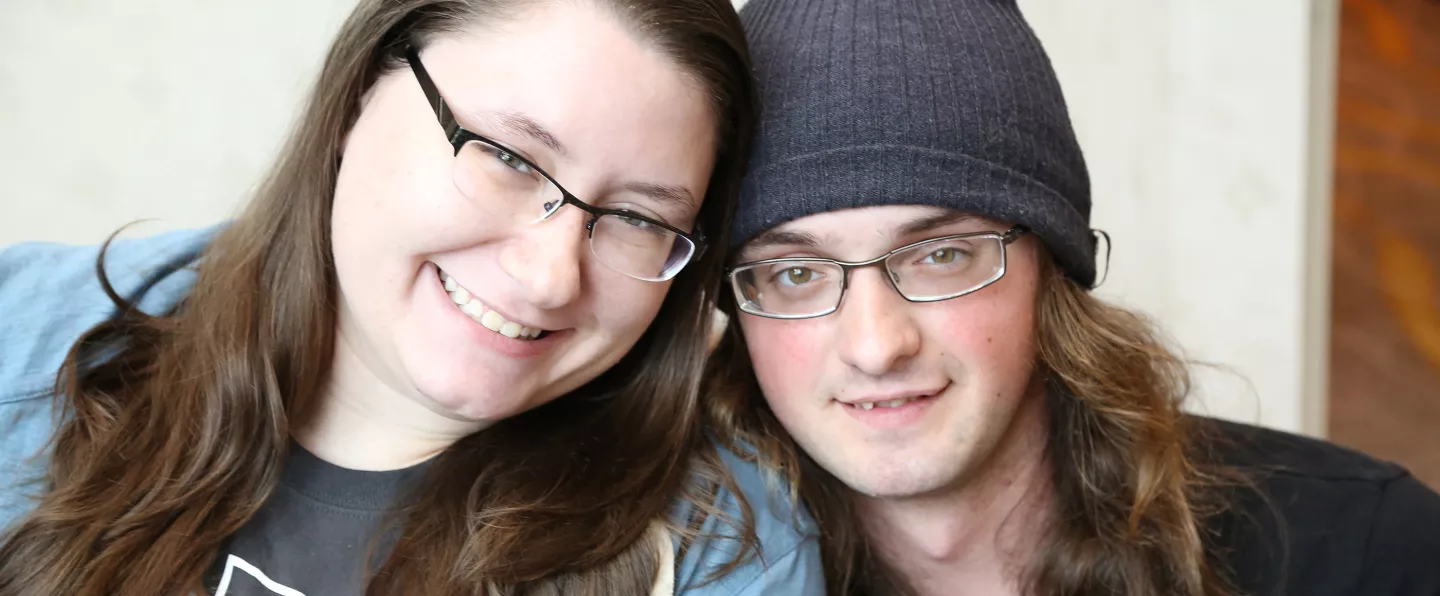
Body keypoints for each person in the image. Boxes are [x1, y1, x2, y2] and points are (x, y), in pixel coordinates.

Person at [0, 0, 823, 594]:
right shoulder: (28, 329)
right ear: (362, 90)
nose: (549, 276)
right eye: (509, 158)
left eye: (638, 218)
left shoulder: (729, 555)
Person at [704, 0, 1440, 594]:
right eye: (795, 273)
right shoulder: (682, 572)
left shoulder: (1367, 551)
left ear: (1054, 268)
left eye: (943, 255)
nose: (875, 344)